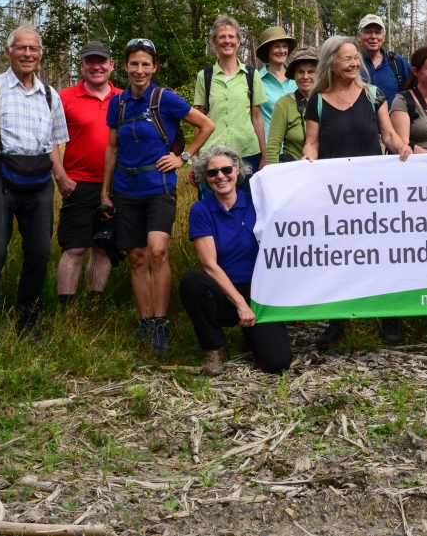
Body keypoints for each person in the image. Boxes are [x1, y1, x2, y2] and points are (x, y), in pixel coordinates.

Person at [0, 26, 68, 342]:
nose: (28, 54)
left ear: (40, 54)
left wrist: (58, 176)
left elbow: (54, 143)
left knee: (40, 252)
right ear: (8, 52)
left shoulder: (50, 95)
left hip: (39, 179)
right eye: (21, 48)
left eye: (34, 49)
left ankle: (28, 321)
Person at [103, 39, 215, 354]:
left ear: (155, 67)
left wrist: (184, 158)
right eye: (134, 64)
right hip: (125, 189)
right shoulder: (118, 102)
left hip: (159, 188)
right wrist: (104, 192)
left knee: (157, 252)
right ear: (124, 66)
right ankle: (145, 321)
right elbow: (112, 148)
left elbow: (205, 125)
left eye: (146, 64)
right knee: (136, 257)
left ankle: (162, 322)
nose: (139, 70)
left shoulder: (164, 98)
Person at [303, 35, 411, 348]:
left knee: (382, 254)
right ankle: (338, 321)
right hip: (334, 196)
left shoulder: (374, 95)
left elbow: (388, 135)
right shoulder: (318, 101)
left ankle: (390, 318)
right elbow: (312, 142)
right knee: (340, 257)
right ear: (331, 64)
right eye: (346, 59)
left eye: (355, 58)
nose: (353, 63)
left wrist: (402, 148)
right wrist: (308, 155)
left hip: (373, 195)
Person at [180, 145, 292, 375]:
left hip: (259, 291)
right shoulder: (201, 210)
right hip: (223, 292)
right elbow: (208, 265)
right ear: (205, 178)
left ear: (238, 170)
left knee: (276, 362)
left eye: (226, 169)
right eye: (212, 173)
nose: (220, 176)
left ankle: (250, 334)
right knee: (192, 280)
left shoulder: (258, 203)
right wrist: (241, 304)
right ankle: (215, 346)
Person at [54, 42, 119, 309]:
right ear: (81, 65)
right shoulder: (64, 97)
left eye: (101, 61)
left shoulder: (124, 97)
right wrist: (60, 176)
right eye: (90, 61)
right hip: (77, 184)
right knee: (75, 248)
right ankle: (66, 309)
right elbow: (50, 141)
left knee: (103, 246)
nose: (96, 66)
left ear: (111, 65)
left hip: (114, 186)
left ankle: (94, 305)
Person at [192, 15, 267, 187]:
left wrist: (263, 155)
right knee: (212, 208)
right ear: (214, 42)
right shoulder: (205, 76)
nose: (227, 41)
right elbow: (199, 119)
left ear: (239, 42)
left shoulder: (251, 74)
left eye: (231, 37)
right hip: (211, 154)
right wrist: (195, 158)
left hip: (247, 153)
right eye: (222, 37)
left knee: (246, 206)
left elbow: (257, 117)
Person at [264, 46, 317, 164]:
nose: (305, 77)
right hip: (294, 172)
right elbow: (273, 147)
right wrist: (273, 175)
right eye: (300, 72)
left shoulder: (328, 101)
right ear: (293, 75)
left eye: (311, 72)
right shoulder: (284, 104)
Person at [357, 13, 411, 109]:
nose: (373, 37)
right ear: (359, 36)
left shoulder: (397, 62)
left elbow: (416, 90)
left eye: (377, 32)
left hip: (393, 122)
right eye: (368, 32)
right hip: (360, 123)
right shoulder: (353, 64)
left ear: (384, 37)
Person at [255, 25, 298, 140]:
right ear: (267, 51)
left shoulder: (298, 79)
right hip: (269, 148)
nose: (282, 50)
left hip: (296, 149)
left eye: (285, 46)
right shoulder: (257, 80)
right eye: (276, 46)